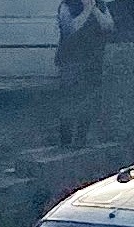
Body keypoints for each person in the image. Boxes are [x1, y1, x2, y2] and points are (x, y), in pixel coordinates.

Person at [55, 0, 113, 148]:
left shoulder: (100, 5)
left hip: (93, 60)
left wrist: (95, 10)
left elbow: (108, 26)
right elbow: (70, 29)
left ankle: (82, 138)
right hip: (71, 60)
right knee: (70, 100)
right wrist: (86, 10)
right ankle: (66, 140)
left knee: (89, 101)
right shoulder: (67, 6)